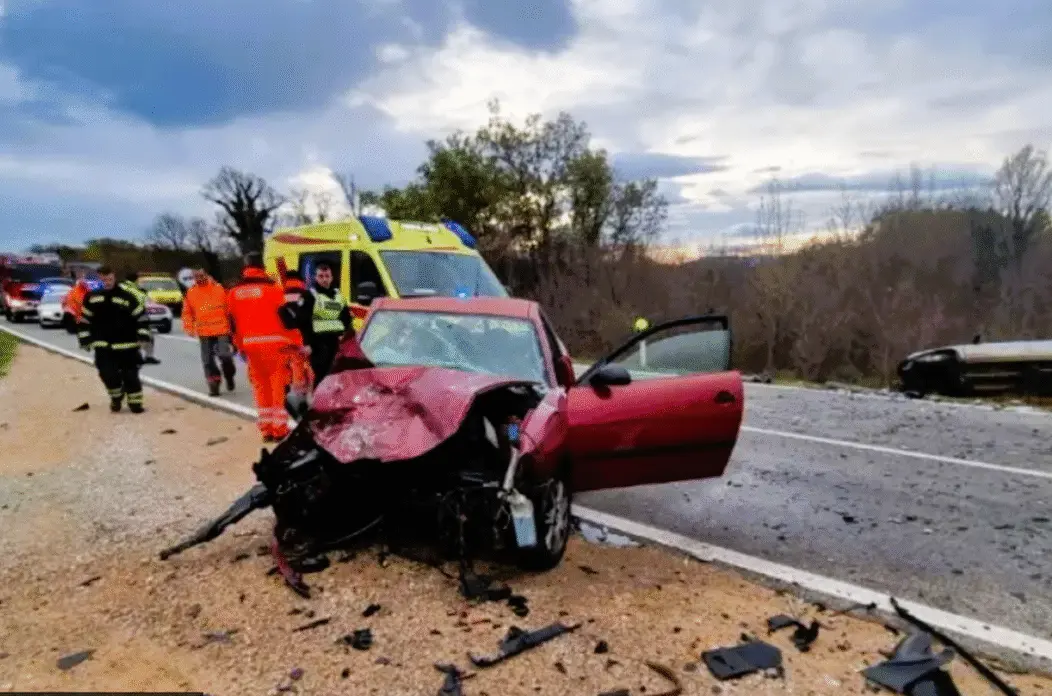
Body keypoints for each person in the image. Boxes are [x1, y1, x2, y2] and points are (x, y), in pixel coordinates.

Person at [226, 252, 294, 442]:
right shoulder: (273, 289)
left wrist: (239, 346)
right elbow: (288, 319)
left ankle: (266, 429)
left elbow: (232, 323)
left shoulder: (233, 292)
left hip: (250, 346)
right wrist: (294, 344)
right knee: (277, 387)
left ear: (246, 266)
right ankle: (279, 429)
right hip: (275, 345)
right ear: (262, 266)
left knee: (260, 387)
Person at [77, 266, 149, 413]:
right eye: (104, 280)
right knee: (107, 375)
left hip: (127, 345)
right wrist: (84, 339)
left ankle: (135, 403)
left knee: (130, 376)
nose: (107, 282)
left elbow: (141, 317)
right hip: (103, 346)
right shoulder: (92, 297)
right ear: (99, 279)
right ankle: (116, 397)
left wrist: (143, 336)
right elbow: (84, 320)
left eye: (109, 279)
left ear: (114, 277)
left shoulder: (127, 296)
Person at [183, 267, 237, 396]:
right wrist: (189, 327)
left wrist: (233, 326)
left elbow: (230, 307)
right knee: (208, 360)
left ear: (206, 275)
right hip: (204, 331)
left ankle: (229, 375)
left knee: (225, 356)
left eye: (201, 275)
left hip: (221, 329)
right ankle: (214, 384)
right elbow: (187, 312)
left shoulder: (219, 288)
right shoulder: (191, 292)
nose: (199, 278)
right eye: (196, 276)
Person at [298, 262, 352, 385]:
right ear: (315, 278)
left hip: (334, 341)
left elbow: (346, 318)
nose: (324, 279)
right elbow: (304, 322)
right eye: (321, 276)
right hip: (317, 342)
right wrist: (307, 343)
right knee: (321, 376)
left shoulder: (338, 296)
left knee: (334, 376)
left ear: (331, 278)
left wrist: (344, 335)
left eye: (327, 276)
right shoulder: (310, 296)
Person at [277, 270, 315, 416]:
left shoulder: (280, 295)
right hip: (305, 338)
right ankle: (308, 397)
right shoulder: (307, 295)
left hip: (287, 340)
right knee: (309, 367)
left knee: (294, 367)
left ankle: (296, 397)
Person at [121, 271, 161, 365]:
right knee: (145, 337)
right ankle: (137, 356)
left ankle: (145, 356)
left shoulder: (121, 287)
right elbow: (145, 303)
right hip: (137, 317)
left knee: (144, 337)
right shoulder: (138, 291)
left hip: (124, 317)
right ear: (136, 280)